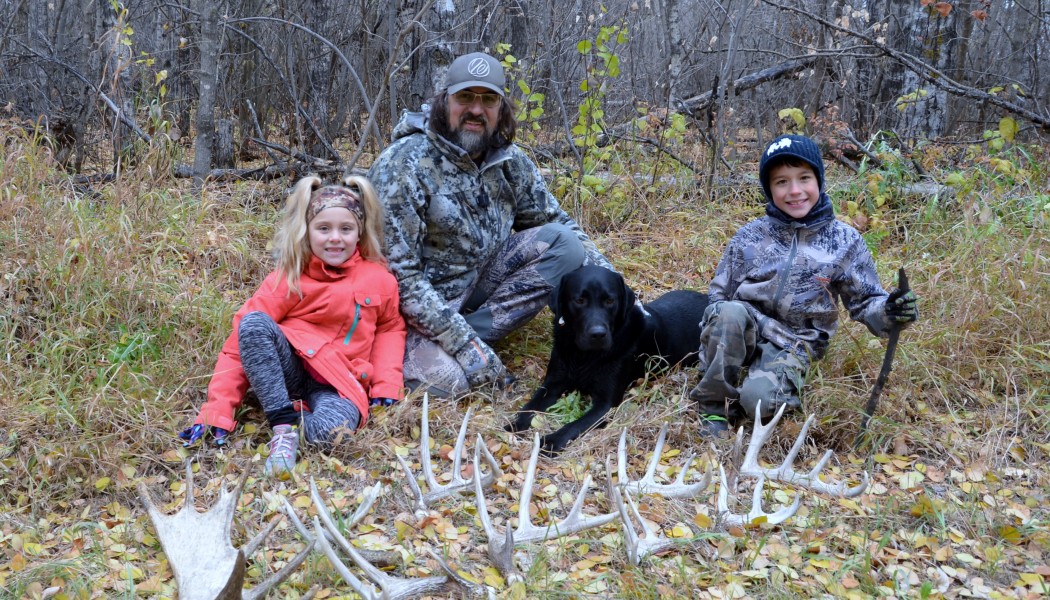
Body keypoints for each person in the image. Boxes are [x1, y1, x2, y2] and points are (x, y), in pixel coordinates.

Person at [368, 51, 611, 397]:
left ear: (502, 108)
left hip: (476, 288)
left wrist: (623, 295)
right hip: (411, 311)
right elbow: (399, 276)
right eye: (465, 97)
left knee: (563, 244)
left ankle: (472, 335)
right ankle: (449, 348)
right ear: (444, 101)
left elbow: (557, 222)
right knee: (449, 384)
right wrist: (464, 347)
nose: (476, 110)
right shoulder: (404, 164)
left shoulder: (511, 162)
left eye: (488, 99)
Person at [690, 134, 919, 437]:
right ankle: (714, 407)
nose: (795, 191)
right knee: (728, 312)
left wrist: (890, 310)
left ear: (819, 181)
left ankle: (758, 387)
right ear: (769, 189)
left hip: (795, 341)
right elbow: (720, 293)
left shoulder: (844, 241)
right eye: (781, 182)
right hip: (746, 324)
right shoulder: (750, 236)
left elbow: (867, 301)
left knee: (758, 403)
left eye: (804, 178)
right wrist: (722, 329)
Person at [179, 175, 406, 477]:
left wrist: (386, 385)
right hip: (290, 369)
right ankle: (283, 425)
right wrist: (217, 411)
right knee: (253, 324)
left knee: (331, 433)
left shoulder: (379, 279)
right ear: (307, 230)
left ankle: (295, 414)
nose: (335, 238)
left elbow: (389, 329)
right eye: (324, 228)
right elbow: (239, 343)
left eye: (346, 229)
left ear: (360, 232)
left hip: (339, 383)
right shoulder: (290, 277)